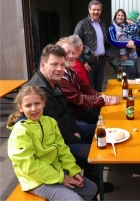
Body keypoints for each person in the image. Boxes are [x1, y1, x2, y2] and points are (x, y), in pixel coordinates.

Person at [25, 44, 114, 194]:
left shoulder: (53, 82)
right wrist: (75, 138)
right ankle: (92, 188)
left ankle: (93, 181)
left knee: (102, 131)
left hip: (68, 130)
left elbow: (66, 112)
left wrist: (77, 130)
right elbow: (53, 129)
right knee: (94, 151)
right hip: (54, 145)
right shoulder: (39, 92)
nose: (60, 69)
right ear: (42, 64)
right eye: (54, 65)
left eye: (62, 64)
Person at [7, 86, 97, 201]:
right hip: (35, 180)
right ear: (20, 108)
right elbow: (29, 166)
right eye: (28, 105)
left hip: (56, 171)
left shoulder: (50, 122)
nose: (34, 109)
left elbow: (62, 149)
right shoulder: (20, 131)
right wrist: (61, 178)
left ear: (43, 103)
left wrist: (74, 171)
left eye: (37, 103)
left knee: (92, 189)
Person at [57, 37, 120, 125]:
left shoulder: (71, 71)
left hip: (83, 112)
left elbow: (86, 88)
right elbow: (78, 98)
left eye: (73, 53)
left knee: (112, 120)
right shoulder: (59, 77)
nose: (71, 56)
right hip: (73, 121)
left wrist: (102, 97)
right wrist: (103, 100)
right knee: (105, 129)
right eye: (67, 53)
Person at [74, 0, 116, 92]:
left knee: (98, 88)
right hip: (88, 62)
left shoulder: (103, 24)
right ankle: (89, 106)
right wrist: (83, 62)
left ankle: (97, 106)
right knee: (87, 88)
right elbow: (75, 44)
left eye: (98, 10)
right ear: (89, 10)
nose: (96, 12)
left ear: (101, 11)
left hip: (101, 60)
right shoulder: (82, 24)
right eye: (94, 9)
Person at [108, 9, 140, 75]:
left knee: (130, 81)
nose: (120, 17)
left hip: (130, 60)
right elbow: (113, 42)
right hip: (118, 61)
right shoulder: (112, 28)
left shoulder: (129, 27)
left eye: (122, 15)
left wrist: (133, 42)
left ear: (125, 17)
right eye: (118, 15)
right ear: (115, 16)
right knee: (120, 81)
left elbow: (139, 40)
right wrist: (129, 43)